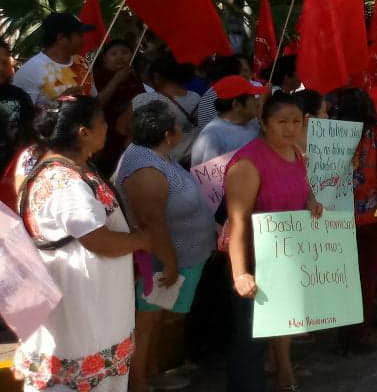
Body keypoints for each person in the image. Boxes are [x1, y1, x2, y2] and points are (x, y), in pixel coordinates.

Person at [14, 95, 150, 392]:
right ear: (83, 132)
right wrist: (140, 240)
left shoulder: (64, 169)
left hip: (85, 302)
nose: (107, 127)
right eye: (102, 122)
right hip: (84, 309)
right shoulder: (67, 183)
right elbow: (97, 240)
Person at [223, 93, 322, 392]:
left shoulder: (296, 153)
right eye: (282, 122)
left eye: (296, 121)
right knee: (251, 340)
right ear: (264, 123)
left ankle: (281, 373)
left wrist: (312, 202)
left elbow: (302, 188)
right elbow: (238, 220)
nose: (290, 128)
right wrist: (241, 273)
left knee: (283, 322)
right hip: (255, 261)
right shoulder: (248, 162)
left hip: (287, 260)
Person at [117, 101, 217, 392]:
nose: (180, 129)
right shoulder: (144, 167)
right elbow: (152, 221)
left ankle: (152, 372)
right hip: (159, 260)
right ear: (167, 134)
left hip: (176, 256)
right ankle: (138, 382)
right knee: (147, 322)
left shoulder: (158, 156)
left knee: (159, 316)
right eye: (176, 125)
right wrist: (170, 262)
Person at [326, 87, 377, 353]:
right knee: (366, 278)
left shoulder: (328, 134)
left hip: (335, 217)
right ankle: (356, 334)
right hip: (371, 218)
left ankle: (343, 332)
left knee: (340, 277)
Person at [12, 11, 95, 109]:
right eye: (80, 35)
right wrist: (60, 103)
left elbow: (95, 101)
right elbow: (21, 114)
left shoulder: (81, 62)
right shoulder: (30, 71)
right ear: (61, 38)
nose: (83, 40)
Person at [90, 39, 146, 176]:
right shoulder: (97, 77)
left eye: (124, 52)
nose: (120, 57)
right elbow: (97, 104)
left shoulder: (133, 74)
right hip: (109, 137)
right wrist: (117, 80)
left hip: (135, 133)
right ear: (104, 59)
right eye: (113, 54)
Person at [133, 56, 202, 164]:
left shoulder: (146, 100)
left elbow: (122, 127)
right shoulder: (195, 97)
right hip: (192, 159)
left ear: (156, 76)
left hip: (162, 162)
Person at [188, 75, 264, 167]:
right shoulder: (212, 137)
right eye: (252, 97)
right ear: (236, 105)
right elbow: (210, 175)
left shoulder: (253, 124)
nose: (257, 101)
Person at [0, 38, 35, 182]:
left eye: (4, 63)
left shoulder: (20, 97)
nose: (1, 68)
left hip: (10, 178)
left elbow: (28, 139)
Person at [194, 55, 252, 129]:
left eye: (246, 70)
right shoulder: (226, 96)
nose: (246, 75)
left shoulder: (216, 91)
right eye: (242, 71)